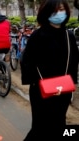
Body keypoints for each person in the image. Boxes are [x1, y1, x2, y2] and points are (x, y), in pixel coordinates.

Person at [20, 0, 79, 140]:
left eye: (62, 9)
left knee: (59, 124)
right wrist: (38, 82)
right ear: (47, 13)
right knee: (40, 127)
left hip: (63, 91)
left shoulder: (69, 35)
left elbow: (73, 62)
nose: (59, 13)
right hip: (41, 91)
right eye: (55, 10)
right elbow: (27, 62)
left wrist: (72, 84)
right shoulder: (37, 36)